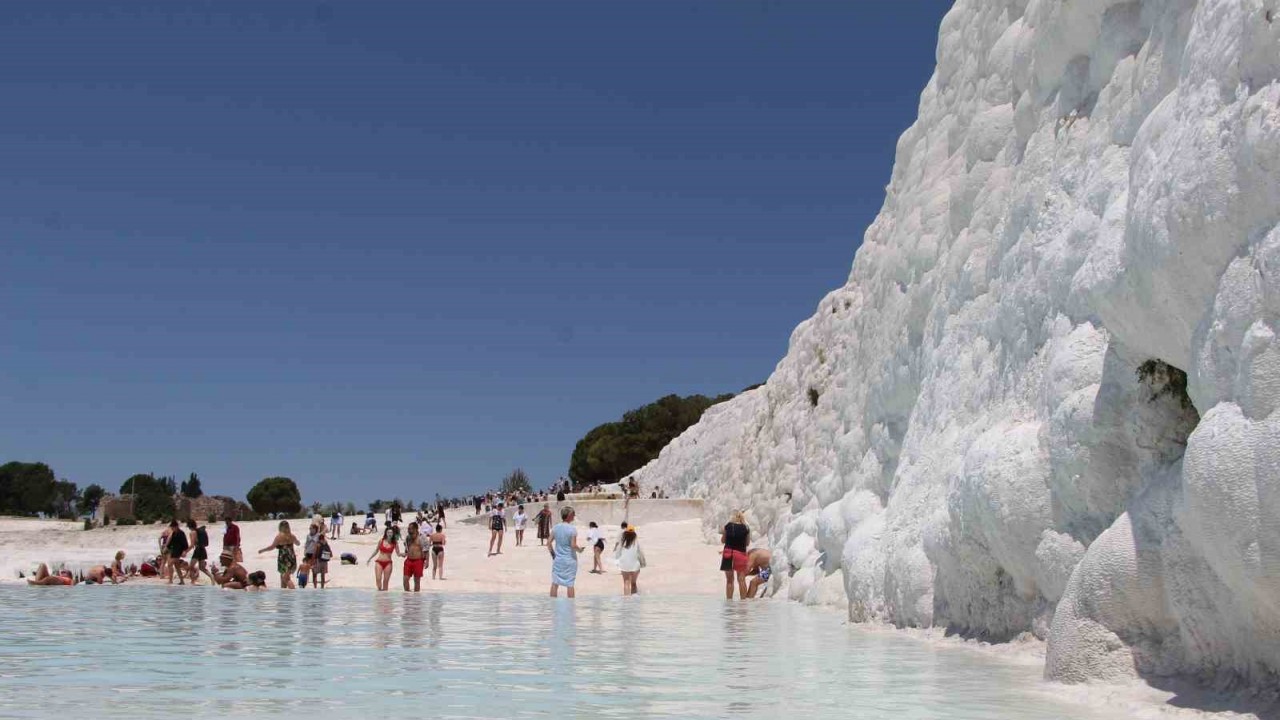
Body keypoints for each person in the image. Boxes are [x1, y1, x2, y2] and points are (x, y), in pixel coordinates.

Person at [548, 506, 583, 598]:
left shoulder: (555, 528)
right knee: (570, 584)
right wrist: (580, 550)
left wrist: (553, 555)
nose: (574, 516)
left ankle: (552, 607)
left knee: (555, 583)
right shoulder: (572, 529)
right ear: (569, 515)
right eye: (573, 514)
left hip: (558, 560)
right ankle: (570, 608)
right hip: (570, 560)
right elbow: (573, 545)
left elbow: (548, 543)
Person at [258, 520, 300, 589]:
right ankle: (283, 596)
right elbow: (298, 544)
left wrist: (262, 550)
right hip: (292, 557)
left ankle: (293, 592)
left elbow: (271, 547)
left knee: (285, 578)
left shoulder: (279, 537)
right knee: (283, 577)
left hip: (283, 558)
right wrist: (295, 541)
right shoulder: (292, 536)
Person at [720, 511, 751, 599]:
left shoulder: (728, 526)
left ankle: (729, 603)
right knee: (741, 580)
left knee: (729, 580)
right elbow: (747, 543)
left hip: (728, 553)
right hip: (740, 554)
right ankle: (743, 603)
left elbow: (722, 541)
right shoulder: (746, 527)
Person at [614, 525, 645, 596]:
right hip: (635, 565)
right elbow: (640, 552)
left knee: (626, 582)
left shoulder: (622, 542)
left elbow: (617, 553)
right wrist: (643, 562)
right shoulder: (636, 541)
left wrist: (617, 561)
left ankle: (626, 601)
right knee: (633, 583)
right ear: (634, 533)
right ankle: (634, 600)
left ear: (625, 533)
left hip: (624, 565)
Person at [366, 526, 397, 591]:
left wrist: (404, 554)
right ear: (386, 533)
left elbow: (398, 553)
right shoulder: (381, 541)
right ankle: (380, 594)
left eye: (391, 532)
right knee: (378, 579)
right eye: (388, 532)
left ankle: (385, 598)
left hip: (388, 563)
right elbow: (376, 550)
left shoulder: (394, 543)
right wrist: (369, 558)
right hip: (379, 562)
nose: (390, 534)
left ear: (393, 533)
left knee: (385, 581)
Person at [187, 519, 214, 585]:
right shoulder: (200, 531)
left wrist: (185, 551)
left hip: (198, 550)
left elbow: (192, 544)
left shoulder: (193, 532)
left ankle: (193, 581)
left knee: (191, 566)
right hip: (203, 549)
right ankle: (212, 578)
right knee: (202, 568)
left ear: (189, 526)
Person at [401, 522, 426, 592]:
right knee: (405, 579)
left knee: (417, 580)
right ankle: (407, 597)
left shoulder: (422, 537)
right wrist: (405, 553)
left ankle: (416, 599)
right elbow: (407, 549)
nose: (409, 530)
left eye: (411, 529)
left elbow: (426, 550)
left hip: (418, 561)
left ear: (416, 529)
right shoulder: (407, 538)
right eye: (408, 529)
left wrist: (426, 561)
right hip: (408, 560)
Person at [165, 519, 190, 585]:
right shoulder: (174, 533)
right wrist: (167, 548)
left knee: (170, 564)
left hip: (178, 551)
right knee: (177, 567)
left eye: (172, 527)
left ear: (176, 526)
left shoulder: (181, 533)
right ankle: (182, 581)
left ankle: (170, 580)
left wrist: (185, 551)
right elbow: (171, 542)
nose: (172, 528)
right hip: (174, 551)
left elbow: (185, 543)